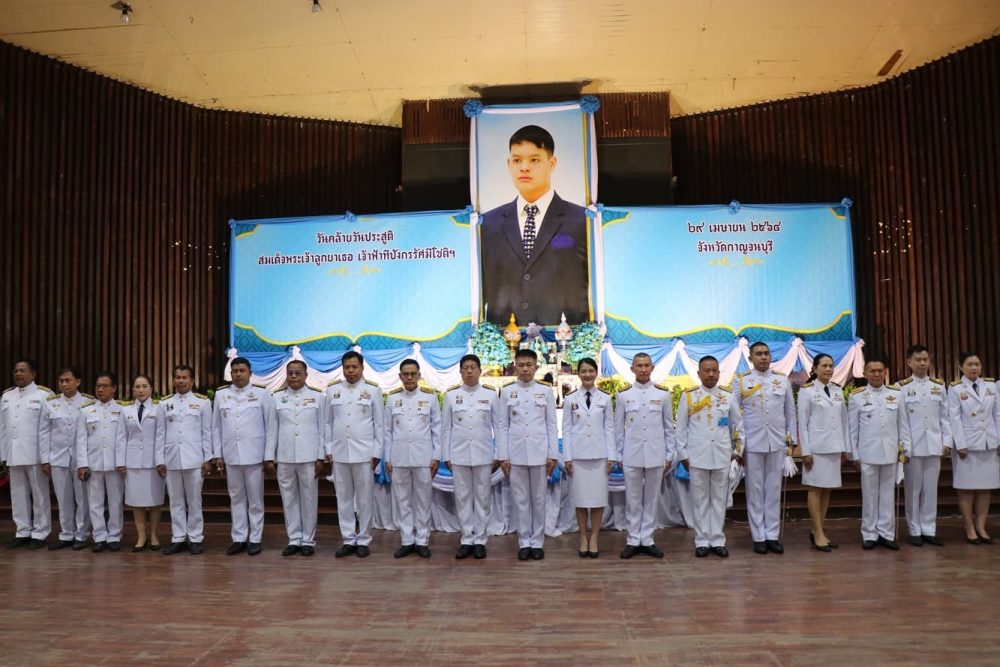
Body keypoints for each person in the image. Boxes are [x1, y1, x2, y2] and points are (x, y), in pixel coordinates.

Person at [479, 124, 590, 326]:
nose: (524, 167)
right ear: (508, 164)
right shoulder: (487, 224)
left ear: (552, 163)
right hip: (504, 335)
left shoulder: (582, 220)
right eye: (517, 160)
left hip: (566, 334)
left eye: (534, 160)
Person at [676, 356, 744, 558]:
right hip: (697, 456)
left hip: (722, 455)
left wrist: (737, 451)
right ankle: (702, 541)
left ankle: (717, 539)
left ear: (719, 373)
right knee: (699, 499)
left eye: (714, 370)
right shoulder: (689, 396)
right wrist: (683, 455)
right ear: (699, 373)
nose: (711, 374)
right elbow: (680, 429)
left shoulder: (728, 396)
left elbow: (738, 426)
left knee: (719, 499)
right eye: (707, 370)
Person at [735, 341, 797, 555]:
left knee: (773, 490)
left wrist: (792, 439)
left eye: (766, 353)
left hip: (777, 442)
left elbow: (790, 412)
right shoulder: (741, 381)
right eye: (759, 354)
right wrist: (738, 445)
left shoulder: (782, 380)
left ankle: (772, 535)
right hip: (752, 443)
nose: (763, 357)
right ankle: (758, 536)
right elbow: (734, 414)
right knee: (755, 490)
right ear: (750, 358)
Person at [441, 354, 504, 560]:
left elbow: (498, 427)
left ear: (480, 370)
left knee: (482, 498)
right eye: (465, 368)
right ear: (460, 371)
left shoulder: (490, 395)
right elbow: (446, 429)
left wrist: (498, 453)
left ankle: (480, 541)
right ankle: (466, 539)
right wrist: (446, 455)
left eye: (473, 367)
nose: (469, 371)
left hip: (483, 454)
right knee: (462, 499)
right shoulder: (451, 396)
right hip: (458, 455)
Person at [498, 348, 558, 561]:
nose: (525, 369)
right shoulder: (507, 391)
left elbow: (551, 425)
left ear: (536, 367)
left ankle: (537, 542)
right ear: (515, 366)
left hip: (539, 453)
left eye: (529, 365)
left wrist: (553, 455)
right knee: (521, 500)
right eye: (521, 365)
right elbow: (502, 426)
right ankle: (524, 542)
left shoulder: (545, 390)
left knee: (539, 499)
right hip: (516, 454)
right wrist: (503, 456)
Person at [615, 352, 676, 559]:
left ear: (652, 368)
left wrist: (669, 454)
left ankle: (648, 539)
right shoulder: (623, 395)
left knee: (651, 499)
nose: (643, 369)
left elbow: (668, 427)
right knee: (632, 499)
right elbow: (618, 429)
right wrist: (619, 455)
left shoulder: (663, 394)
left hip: (655, 453)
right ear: (632, 369)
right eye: (639, 366)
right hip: (631, 454)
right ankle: (633, 539)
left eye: (646, 365)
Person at [325, 351, 383, 558]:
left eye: (354, 367)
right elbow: (327, 422)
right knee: (343, 499)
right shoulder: (333, 390)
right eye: (347, 367)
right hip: (340, 452)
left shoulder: (373, 390)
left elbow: (379, 424)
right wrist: (329, 449)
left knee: (365, 499)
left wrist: (377, 452)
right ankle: (348, 539)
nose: (350, 371)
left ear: (362, 368)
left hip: (365, 454)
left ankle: (364, 539)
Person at [848, 358, 909, 550]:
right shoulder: (857, 396)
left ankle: (886, 533)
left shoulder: (896, 394)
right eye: (872, 371)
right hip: (867, 453)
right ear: (865, 373)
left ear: (885, 373)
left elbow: (903, 425)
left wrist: (904, 448)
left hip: (890, 452)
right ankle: (869, 534)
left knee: (887, 494)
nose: (876, 374)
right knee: (869, 495)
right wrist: (854, 455)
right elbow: (852, 430)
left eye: (880, 371)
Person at [266, 360, 325, 557]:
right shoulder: (277, 397)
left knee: (309, 499)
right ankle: (293, 538)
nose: (293, 376)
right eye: (290, 373)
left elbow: (322, 429)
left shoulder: (317, 397)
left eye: (297, 373)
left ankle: (308, 540)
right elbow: (272, 430)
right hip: (284, 456)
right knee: (288, 499)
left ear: (306, 375)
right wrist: (269, 457)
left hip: (309, 456)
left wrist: (320, 456)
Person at [214, 357, 271, 556]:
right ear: (230, 374)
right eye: (235, 371)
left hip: (254, 454)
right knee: (236, 498)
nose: (238, 374)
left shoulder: (262, 394)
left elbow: (270, 427)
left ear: (250, 373)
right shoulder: (221, 395)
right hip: (231, 454)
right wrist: (218, 455)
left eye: (242, 370)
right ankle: (238, 538)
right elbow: (216, 427)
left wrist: (268, 456)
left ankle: (255, 538)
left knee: (255, 500)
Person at [384, 359, 441, 558]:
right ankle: (407, 540)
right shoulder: (392, 399)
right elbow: (387, 431)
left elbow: (437, 429)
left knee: (423, 500)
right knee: (402, 500)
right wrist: (387, 458)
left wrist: (436, 456)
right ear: (400, 376)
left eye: (413, 374)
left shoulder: (430, 397)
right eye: (405, 374)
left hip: (423, 457)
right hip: (399, 457)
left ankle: (422, 540)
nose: (409, 377)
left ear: (419, 376)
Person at [157, 365, 214, 555]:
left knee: (194, 501)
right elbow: (160, 434)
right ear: (173, 380)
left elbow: (207, 433)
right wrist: (160, 459)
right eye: (177, 377)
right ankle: (178, 537)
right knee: (175, 501)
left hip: (195, 459)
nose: (180, 381)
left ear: (192, 380)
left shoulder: (203, 402)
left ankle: (195, 537)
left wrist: (208, 458)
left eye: (184, 377)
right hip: (171, 458)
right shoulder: (164, 403)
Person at [898, 345, 951, 546]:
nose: (922, 363)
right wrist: (904, 447)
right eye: (918, 360)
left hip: (934, 445)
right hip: (913, 447)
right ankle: (914, 530)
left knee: (931, 490)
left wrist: (947, 441)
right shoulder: (901, 387)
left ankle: (929, 529)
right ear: (909, 362)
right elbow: (901, 421)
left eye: (925, 359)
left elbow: (945, 417)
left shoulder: (938, 386)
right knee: (913, 490)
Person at [562, 357, 614, 558]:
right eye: (583, 371)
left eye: (591, 371)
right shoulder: (570, 399)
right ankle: (583, 536)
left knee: (598, 499)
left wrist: (611, 456)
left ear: (596, 373)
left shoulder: (605, 398)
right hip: (578, 457)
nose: (587, 375)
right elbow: (566, 430)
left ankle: (595, 537)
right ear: (578, 373)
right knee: (581, 500)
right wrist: (567, 457)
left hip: (600, 456)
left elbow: (609, 429)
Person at [797, 353, 849, 552]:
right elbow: (803, 423)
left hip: (834, 447)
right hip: (816, 449)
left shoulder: (837, 390)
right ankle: (818, 533)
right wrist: (805, 451)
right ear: (815, 369)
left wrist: (845, 448)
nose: (828, 369)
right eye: (824, 366)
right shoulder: (807, 391)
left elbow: (843, 421)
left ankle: (818, 530)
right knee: (815, 489)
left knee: (827, 489)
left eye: (831, 365)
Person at [947, 352, 1000, 544]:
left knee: (985, 488)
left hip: (989, 442)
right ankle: (969, 527)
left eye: (977, 364)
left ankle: (981, 526)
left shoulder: (990, 386)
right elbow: (954, 418)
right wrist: (960, 444)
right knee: (966, 488)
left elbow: (997, 414)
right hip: (967, 445)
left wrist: (999, 439)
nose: (974, 368)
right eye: (969, 364)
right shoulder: (955, 389)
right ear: (961, 367)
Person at [1, 359, 53, 550]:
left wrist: (46, 457)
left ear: (33, 374)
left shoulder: (44, 395)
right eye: (16, 371)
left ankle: (40, 532)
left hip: (36, 454)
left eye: (23, 370)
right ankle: (22, 531)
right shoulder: (7, 396)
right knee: (18, 495)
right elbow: (3, 428)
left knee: (40, 495)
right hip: (14, 453)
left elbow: (49, 428)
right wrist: (3, 456)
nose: (18, 374)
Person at [75, 372, 127, 552]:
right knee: (94, 502)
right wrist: (82, 464)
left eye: (105, 386)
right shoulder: (86, 410)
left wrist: (122, 462)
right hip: (93, 463)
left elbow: (123, 439)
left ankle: (114, 536)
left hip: (115, 464)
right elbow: (81, 439)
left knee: (115, 502)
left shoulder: (122, 409)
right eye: (98, 386)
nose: (100, 389)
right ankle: (99, 536)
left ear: (114, 388)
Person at [41, 366, 92, 550]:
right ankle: (66, 534)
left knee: (82, 498)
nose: (64, 384)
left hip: (81, 458)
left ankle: (82, 534)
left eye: (68, 380)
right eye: (61, 381)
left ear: (78, 382)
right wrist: (45, 459)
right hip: (58, 456)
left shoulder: (88, 402)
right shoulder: (50, 403)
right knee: (63, 498)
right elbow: (44, 432)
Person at [122, 374, 166, 552]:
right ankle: (141, 537)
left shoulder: (159, 408)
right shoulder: (126, 410)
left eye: (144, 386)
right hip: (132, 461)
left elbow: (161, 435)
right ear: (132, 390)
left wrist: (160, 460)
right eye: (137, 387)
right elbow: (121, 438)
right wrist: (120, 462)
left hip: (153, 461)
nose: (141, 390)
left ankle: (154, 536)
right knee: (136, 501)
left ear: (151, 389)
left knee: (155, 500)